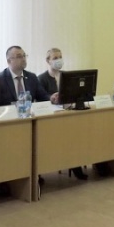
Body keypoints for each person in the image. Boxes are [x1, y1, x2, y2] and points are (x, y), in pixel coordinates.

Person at [38, 47, 87, 180]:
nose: (58, 60)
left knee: (76, 135)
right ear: (48, 61)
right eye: (55, 58)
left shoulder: (67, 76)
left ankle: (75, 163)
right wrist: (51, 98)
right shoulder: (41, 78)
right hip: (50, 118)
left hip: (68, 114)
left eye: (60, 57)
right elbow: (40, 99)